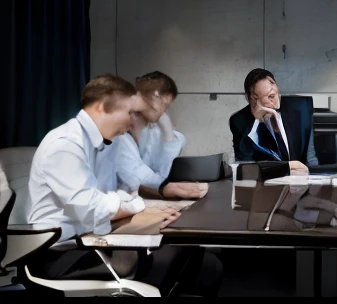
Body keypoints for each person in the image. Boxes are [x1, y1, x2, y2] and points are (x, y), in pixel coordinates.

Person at [27, 74, 222, 297]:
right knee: (176, 254)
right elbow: (96, 206)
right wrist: (138, 207)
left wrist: (135, 206)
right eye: (128, 112)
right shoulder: (65, 145)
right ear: (102, 107)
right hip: (59, 252)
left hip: (91, 239)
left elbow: (113, 195)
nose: (131, 122)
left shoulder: (103, 143)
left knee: (190, 252)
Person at [115, 71, 208, 199]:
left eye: (167, 107)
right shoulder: (118, 135)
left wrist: (168, 134)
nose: (163, 111)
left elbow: (164, 175)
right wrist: (172, 187)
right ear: (155, 96)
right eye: (164, 105)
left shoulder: (151, 132)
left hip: (142, 201)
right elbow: (144, 181)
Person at [229, 68, 317, 174]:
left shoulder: (301, 108)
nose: (276, 100)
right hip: (266, 186)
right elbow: (244, 164)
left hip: (302, 181)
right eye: (270, 97)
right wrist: (256, 122)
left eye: (277, 93)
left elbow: (313, 158)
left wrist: (310, 174)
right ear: (253, 99)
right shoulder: (239, 121)